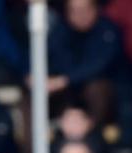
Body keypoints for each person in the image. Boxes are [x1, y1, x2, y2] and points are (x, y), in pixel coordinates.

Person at [46, 0, 121, 129]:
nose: (80, 15)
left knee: (97, 89)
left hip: (101, 95)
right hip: (67, 94)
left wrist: (65, 80)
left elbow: (99, 65)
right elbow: (56, 61)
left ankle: (93, 133)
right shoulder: (60, 31)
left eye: (85, 10)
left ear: (95, 9)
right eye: (74, 11)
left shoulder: (108, 31)